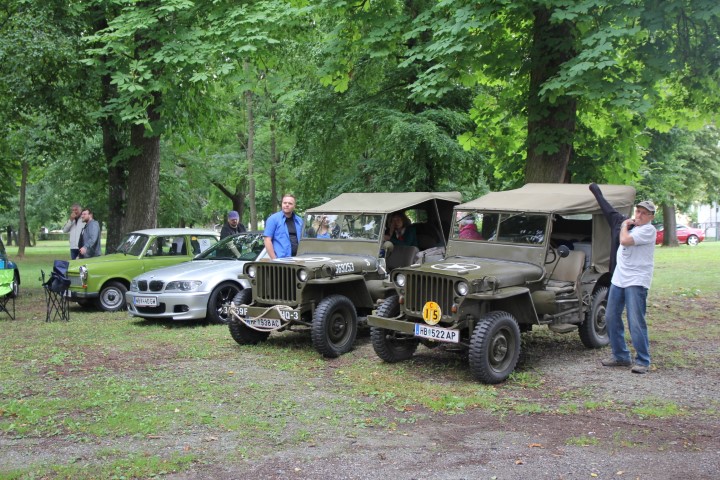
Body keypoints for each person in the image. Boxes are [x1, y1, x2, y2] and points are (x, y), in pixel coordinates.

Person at [590, 183, 656, 374]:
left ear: (651, 217)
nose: (640, 215)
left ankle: (643, 360)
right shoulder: (629, 225)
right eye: (639, 211)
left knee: (636, 320)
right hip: (619, 278)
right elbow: (608, 210)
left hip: (636, 280)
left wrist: (625, 226)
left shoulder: (647, 230)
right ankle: (620, 356)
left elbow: (624, 240)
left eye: (645, 213)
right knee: (610, 316)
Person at [263, 194, 304, 259]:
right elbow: (267, 240)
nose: (287, 205)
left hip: (298, 259)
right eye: (285, 203)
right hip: (281, 261)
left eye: (290, 203)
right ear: (282, 204)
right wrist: (274, 260)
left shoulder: (299, 221)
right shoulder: (273, 219)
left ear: (294, 206)